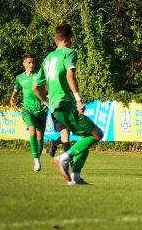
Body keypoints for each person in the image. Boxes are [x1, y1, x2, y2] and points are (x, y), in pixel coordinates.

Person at [33, 24, 103, 185]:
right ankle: (63, 158)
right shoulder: (69, 53)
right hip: (66, 103)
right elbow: (71, 75)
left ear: (55, 40)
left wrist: (46, 101)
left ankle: (76, 177)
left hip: (56, 107)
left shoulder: (48, 58)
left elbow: (35, 87)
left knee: (85, 136)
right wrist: (78, 100)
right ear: (70, 39)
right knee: (97, 134)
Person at [10, 54, 48, 172]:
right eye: (29, 62)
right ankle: (35, 160)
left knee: (40, 137)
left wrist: (45, 98)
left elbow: (48, 87)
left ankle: (38, 157)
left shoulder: (39, 74)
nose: (32, 65)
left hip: (41, 110)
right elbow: (16, 89)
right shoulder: (19, 78)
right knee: (31, 129)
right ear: (24, 64)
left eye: (33, 62)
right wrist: (12, 98)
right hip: (27, 109)